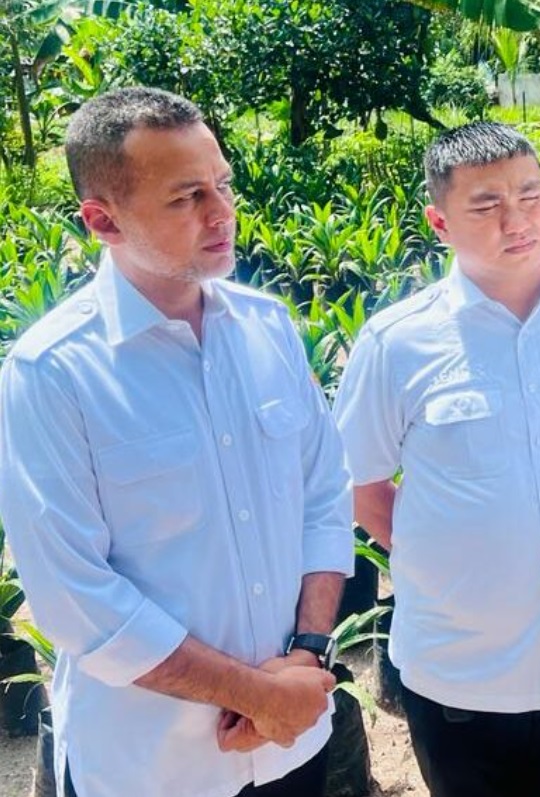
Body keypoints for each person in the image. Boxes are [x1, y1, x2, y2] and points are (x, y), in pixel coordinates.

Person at [0, 86, 352, 797]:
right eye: (187, 197)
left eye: (222, 184)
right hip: (155, 767)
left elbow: (323, 494)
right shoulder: (53, 372)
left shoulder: (268, 326)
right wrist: (258, 694)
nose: (221, 213)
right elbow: (76, 598)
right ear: (103, 220)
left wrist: (307, 654)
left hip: (292, 741)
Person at [333, 122, 540, 797]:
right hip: (459, 674)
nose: (517, 220)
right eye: (488, 205)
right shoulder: (399, 343)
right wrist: (442, 557)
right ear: (440, 222)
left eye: (530, 196)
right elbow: (359, 481)